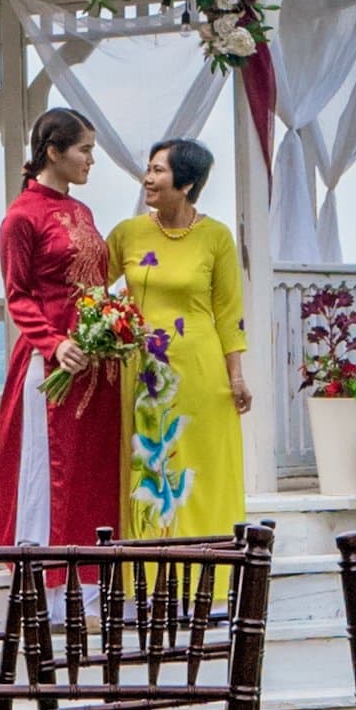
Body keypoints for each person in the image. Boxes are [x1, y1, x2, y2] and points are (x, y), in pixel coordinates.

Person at [106, 137, 250, 540]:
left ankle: (213, 574)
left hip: (203, 375)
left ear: (185, 183)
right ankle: (149, 577)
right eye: (148, 169)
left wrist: (235, 376)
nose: (147, 178)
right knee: (150, 470)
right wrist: (113, 326)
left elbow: (229, 314)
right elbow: (91, 292)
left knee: (202, 471)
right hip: (145, 377)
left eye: (158, 170)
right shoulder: (127, 234)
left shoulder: (216, 238)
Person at [0, 108, 123, 549]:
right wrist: (54, 343)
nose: (91, 160)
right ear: (53, 151)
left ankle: (95, 588)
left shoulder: (82, 210)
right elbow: (18, 295)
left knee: (93, 471)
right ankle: (46, 591)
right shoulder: (21, 217)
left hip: (95, 364)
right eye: (84, 150)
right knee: (52, 471)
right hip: (53, 365)